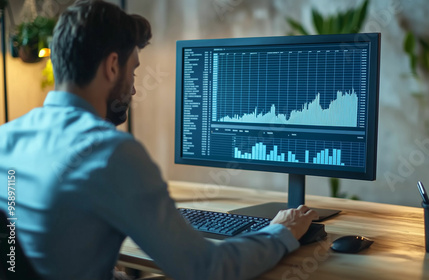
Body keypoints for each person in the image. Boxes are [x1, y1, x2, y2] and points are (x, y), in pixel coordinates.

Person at [0, 1, 318, 279]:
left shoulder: (6, 138)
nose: (135, 89)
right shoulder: (111, 152)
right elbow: (208, 269)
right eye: (133, 72)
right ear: (112, 66)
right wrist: (282, 232)